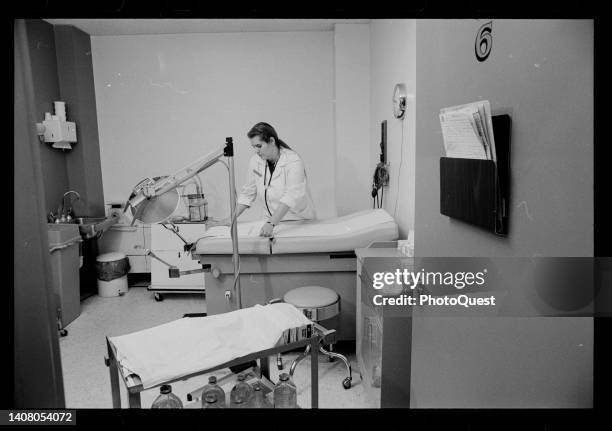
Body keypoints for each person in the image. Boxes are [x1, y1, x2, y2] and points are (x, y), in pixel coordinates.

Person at [209, 122, 316, 237]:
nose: (256, 151)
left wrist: (271, 223)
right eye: (253, 147)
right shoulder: (256, 161)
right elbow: (248, 193)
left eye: (259, 146)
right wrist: (231, 219)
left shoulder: (293, 160)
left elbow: (291, 196)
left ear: (272, 141)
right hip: (270, 221)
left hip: (297, 220)